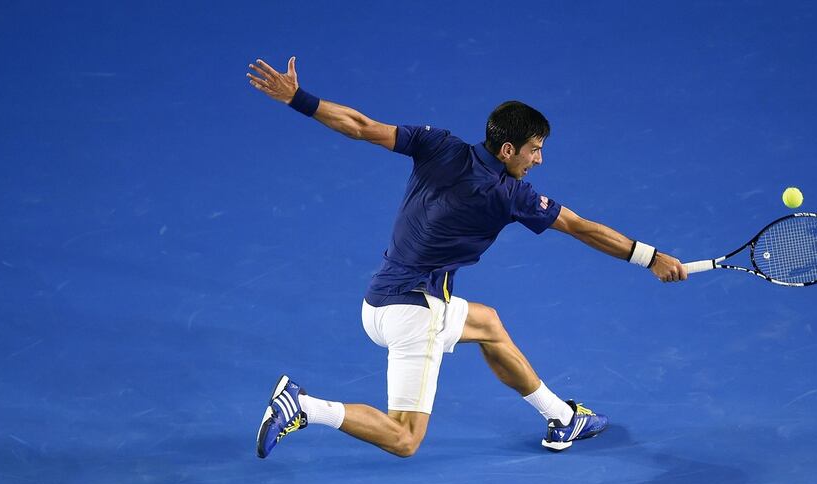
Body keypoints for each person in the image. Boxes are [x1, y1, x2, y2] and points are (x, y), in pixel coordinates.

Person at [248, 56, 687, 459]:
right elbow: (579, 227)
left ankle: (564, 418)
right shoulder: (510, 195)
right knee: (405, 438)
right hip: (415, 315)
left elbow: (361, 125)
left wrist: (298, 99)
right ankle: (304, 405)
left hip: (376, 302)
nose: (540, 159)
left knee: (489, 324)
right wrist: (648, 258)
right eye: (534, 149)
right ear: (508, 150)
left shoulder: (435, 144)